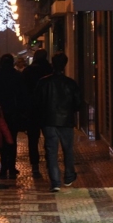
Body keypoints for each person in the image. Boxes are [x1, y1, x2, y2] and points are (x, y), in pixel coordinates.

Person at [34, 51, 80, 192]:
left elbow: (37, 103)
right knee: (68, 150)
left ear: (52, 64)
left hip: (48, 121)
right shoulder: (71, 84)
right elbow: (77, 104)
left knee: (52, 151)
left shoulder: (43, 82)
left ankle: (55, 182)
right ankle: (69, 176)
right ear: (65, 65)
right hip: (66, 121)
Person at [0, 53, 26, 179]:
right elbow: (22, 96)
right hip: (13, 112)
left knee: (2, 141)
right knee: (12, 140)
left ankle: (4, 166)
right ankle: (10, 166)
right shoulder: (17, 76)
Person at [23, 49, 54, 178]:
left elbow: (23, 92)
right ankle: (50, 162)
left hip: (32, 109)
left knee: (33, 139)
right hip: (47, 109)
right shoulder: (50, 70)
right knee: (49, 138)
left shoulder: (28, 71)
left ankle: (35, 166)